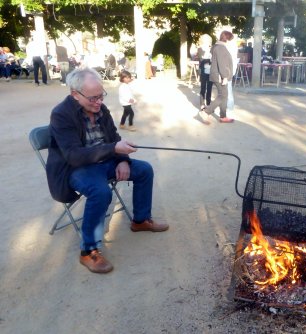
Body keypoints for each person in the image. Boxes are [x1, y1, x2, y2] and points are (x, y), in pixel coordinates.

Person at [46, 67, 169, 274]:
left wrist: (122, 159)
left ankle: (140, 220)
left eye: (101, 95)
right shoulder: (61, 114)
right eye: (92, 98)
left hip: (106, 160)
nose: (98, 102)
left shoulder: (100, 109)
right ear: (75, 94)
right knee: (101, 191)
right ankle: (89, 251)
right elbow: (73, 156)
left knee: (144, 170)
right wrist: (113, 149)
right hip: (77, 168)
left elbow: (114, 138)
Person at [200, 30, 235, 124]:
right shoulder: (221, 48)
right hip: (220, 75)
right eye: (231, 39)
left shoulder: (218, 46)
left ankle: (223, 116)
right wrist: (225, 77)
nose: (232, 42)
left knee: (224, 95)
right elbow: (222, 64)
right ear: (227, 39)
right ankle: (206, 112)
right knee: (222, 95)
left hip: (218, 74)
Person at [197, 34, 213, 112]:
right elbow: (201, 60)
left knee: (209, 89)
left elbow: (214, 59)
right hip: (203, 71)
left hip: (211, 72)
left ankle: (209, 104)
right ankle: (202, 104)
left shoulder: (212, 49)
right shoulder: (200, 49)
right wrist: (209, 60)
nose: (208, 42)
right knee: (203, 88)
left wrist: (209, 60)